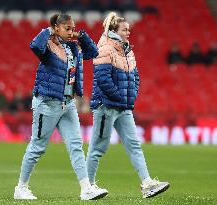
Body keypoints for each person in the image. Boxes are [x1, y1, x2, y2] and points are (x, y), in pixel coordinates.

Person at [13, 13, 108, 200]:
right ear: (56, 28)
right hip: (47, 104)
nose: (71, 32)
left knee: (76, 146)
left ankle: (86, 189)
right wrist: (48, 31)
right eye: (67, 28)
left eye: (73, 28)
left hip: (68, 104)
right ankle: (21, 188)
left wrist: (80, 35)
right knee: (37, 147)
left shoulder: (73, 47)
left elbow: (93, 52)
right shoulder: (47, 45)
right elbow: (34, 46)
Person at [86, 12, 170, 198]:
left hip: (123, 107)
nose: (129, 32)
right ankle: (87, 186)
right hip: (105, 106)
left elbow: (135, 76)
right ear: (115, 30)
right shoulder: (105, 48)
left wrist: (130, 96)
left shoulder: (127, 50)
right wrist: (119, 97)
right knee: (98, 147)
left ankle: (147, 183)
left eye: (129, 29)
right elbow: (102, 78)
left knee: (134, 145)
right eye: (125, 29)